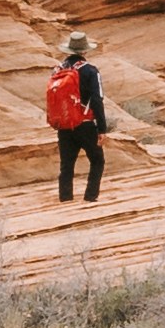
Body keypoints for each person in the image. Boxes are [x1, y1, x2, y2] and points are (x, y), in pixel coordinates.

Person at [44, 31, 108, 202]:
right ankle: (90, 198)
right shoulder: (90, 70)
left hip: (64, 124)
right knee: (97, 160)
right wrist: (102, 129)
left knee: (66, 165)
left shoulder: (58, 70)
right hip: (85, 124)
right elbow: (97, 99)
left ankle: (65, 199)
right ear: (85, 51)